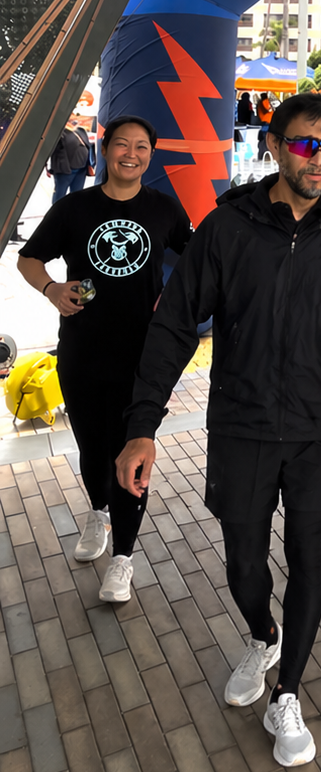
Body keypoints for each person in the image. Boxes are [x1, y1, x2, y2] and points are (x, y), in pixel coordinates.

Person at [115, 93, 321, 768]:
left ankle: (287, 692)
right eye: (304, 144)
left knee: (307, 557)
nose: (317, 159)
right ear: (274, 146)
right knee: (242, 563)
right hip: (241, 422)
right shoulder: (229, 227)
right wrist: (142, 425)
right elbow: (177, 322)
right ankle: (262, 634)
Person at [18, 116, 192, 603]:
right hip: (83, 349)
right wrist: (52, 288)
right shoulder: (75, 209)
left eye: (142, 146)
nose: (131, 154)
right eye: (122, 145)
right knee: (93, 448)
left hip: (144, 357)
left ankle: (123, 558)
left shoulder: (162, 209)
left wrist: (174, 296)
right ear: (106, 149)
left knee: (131, 450)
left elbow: (198, 258)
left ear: (150, 155)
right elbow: (28, 258)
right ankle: (98, 513)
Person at [47, 116, 93, 201]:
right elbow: (52, 150)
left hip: (81, 170)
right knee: (59, 197)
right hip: (65, 171)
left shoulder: (80, 131)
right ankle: (57, 213)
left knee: (77, 196)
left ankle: (74, 213)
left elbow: (88, 147)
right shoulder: (59, 134)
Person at [256, 93, 274, 159]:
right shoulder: (265, 102)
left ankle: (262, 155)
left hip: (264, 121)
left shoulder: (260, 103)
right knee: (266, 140)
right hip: (268, 122)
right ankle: (266, 156)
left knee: (263, 140)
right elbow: (269, 110)